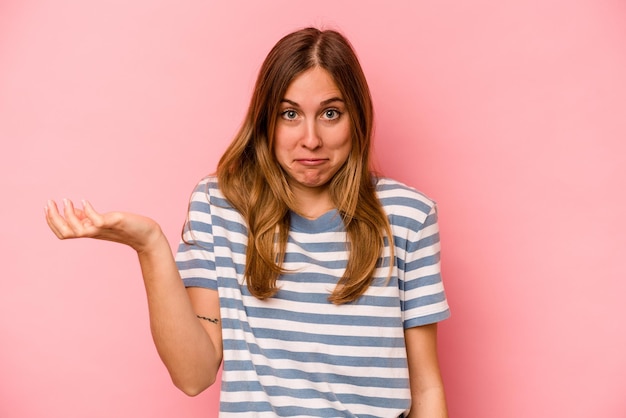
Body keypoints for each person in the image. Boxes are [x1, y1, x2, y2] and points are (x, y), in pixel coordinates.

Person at [45, 27, 450, 417]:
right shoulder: (219, 206)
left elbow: (426, 387)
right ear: (265, 121)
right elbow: (193, 375)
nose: (311, 139)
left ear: (356, 117)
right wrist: (150, 245)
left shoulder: (408, 216)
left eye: (330, 113)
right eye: (289, 114)